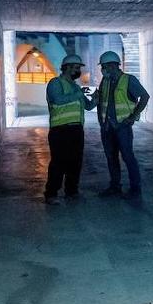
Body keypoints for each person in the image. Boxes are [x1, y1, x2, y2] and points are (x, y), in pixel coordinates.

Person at [95, 50, 150, 198]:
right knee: (111, 157)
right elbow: (101, 101)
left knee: (127, 156)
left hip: (122, 127)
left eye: (104, 67)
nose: (102, 70)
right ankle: (115, 186)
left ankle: (135, 189)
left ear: (112, 66)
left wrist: (133, 116)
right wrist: (102, 121)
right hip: (107, 128)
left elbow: (144, 96)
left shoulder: (129, 80)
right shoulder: (105, 82)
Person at [44, 53, 96, 205]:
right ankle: (51, 194)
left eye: (79, 68)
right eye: (76, 68)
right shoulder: (55, 83)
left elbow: (88, 106)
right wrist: (77, 94)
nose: (78, 71)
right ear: (66, 68)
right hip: (60, 130)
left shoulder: (75, 86)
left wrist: (96, 99)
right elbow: (57, 100)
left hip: (76, 130)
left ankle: (71, 191)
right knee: (58, 162)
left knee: (75, 162)